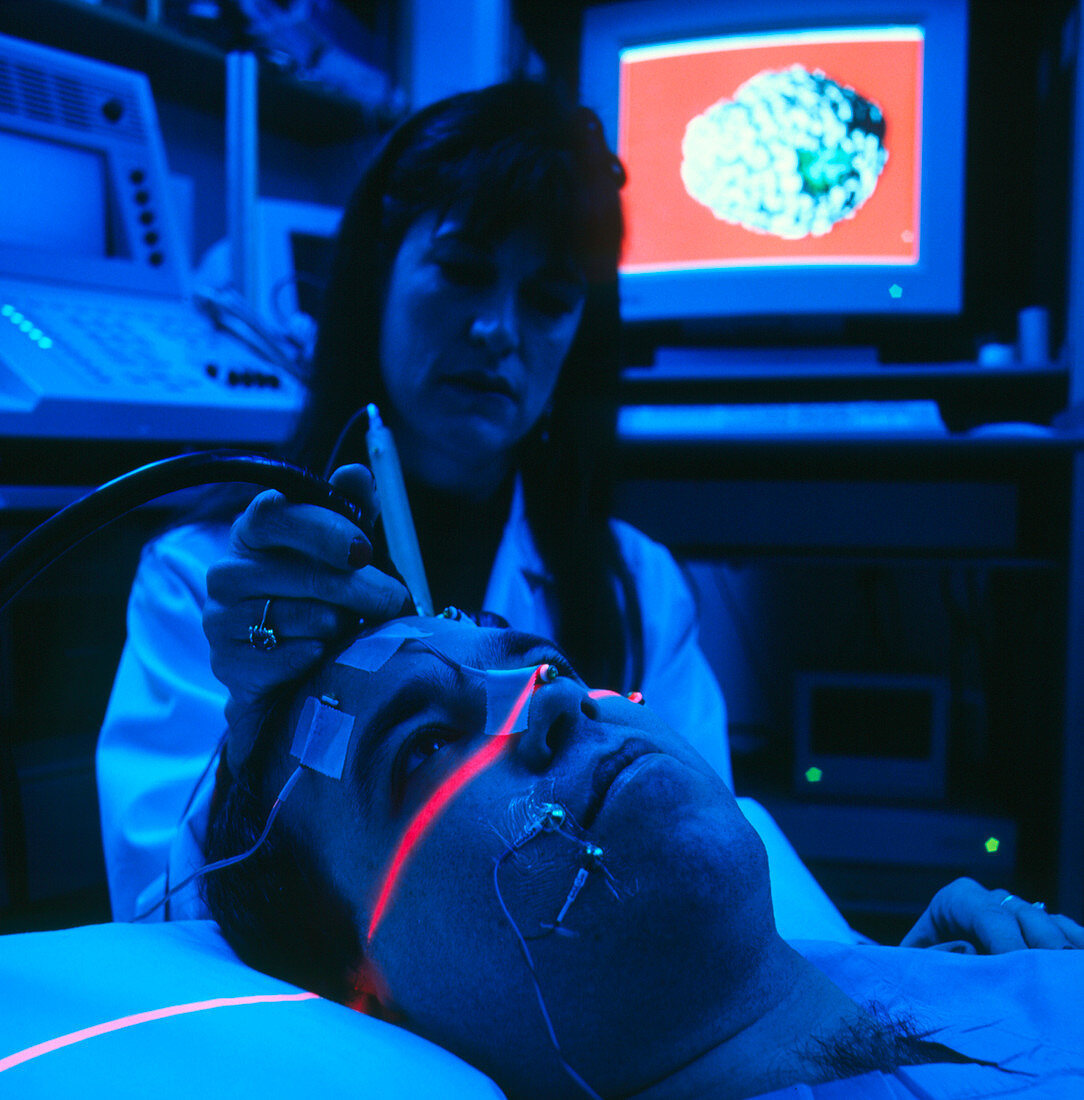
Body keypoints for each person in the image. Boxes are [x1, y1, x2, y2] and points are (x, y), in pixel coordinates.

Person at [96, 80, 730, 922]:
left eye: (547, 299)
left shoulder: (636, 590)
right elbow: (157, 912)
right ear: (374, 284)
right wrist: (254, 735)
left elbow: (710, 878)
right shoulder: (208, 578)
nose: (498, 329)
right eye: (463, 271)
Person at [204, 613, 1084, 1100]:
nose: (557, 707)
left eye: (549, 664)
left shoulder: (978, 970)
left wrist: (923, 994)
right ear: (367, 999)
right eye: (426, 748)